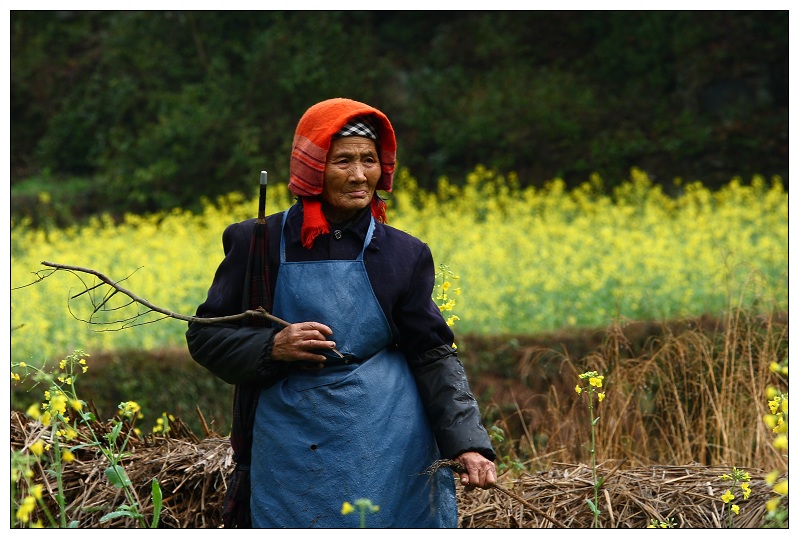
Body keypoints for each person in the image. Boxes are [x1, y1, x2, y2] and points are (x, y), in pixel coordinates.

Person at [186, 97, 496, 528]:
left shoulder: (402, 253)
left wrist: (468, 443)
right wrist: (271, 346)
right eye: (342, 161)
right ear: (312, 169)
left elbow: (433, 355)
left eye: (368, 160)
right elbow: (205, 336)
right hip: (288, 438)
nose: (358, 175)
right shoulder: (257, 243)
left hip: (388, 436)